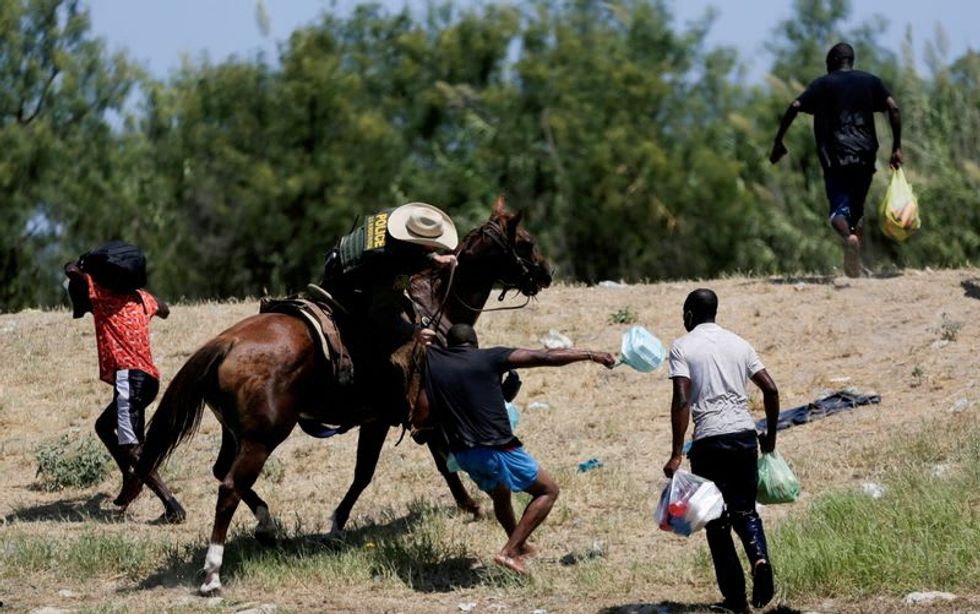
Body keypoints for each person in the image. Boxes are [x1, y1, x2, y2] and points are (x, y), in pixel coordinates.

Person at [421, 323, 616, 575]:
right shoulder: (489, 357)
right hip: (497, 448)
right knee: (548, 491)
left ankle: (520, 544)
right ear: (475, 344)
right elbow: (544, 356)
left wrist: (419, 337)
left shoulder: (433, 361)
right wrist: (590, 354)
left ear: (450, 344)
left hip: (463, 454)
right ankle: (509, 552)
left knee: (501, 494)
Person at [662, 289, 780, 613]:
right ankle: (759, 559)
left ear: (689, 314)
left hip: (709, 442)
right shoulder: (739, 343)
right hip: (744, 437)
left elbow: (682, 400)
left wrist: (676, 453)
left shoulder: (682, 346)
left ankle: (737, 601)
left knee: (716, 522)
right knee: (746, 511)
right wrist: (769, 437)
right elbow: (771, 389)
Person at [64, 256, 185, 523]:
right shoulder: (141, 298)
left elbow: (71, 270)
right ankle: (130, 476)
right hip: (149, 379)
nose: (89, 310)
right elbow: (165, 309)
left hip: (129, 378)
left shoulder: (102, 298)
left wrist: (84, 264)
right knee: (104, 426)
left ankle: (171, 505)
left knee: (130, 446)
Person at [769, 42, 902, 278]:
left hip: (835, 156)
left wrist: (779, 140)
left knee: (838, 209)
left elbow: (795, 105)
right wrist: (897, 147)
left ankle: (849, 239)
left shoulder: (823, 84)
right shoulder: (870, 81)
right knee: (857, 209)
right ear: (851, 61)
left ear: (832, 62)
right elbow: (893, 107)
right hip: (865, 153)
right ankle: (855, 261)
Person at [319, 202, 458, 423]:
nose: (436, 247)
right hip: (348, 282)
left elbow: (407, 249)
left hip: (342, 255)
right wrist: (413, 332)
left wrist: (433, 258)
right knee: (380, 341)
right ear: (417, 241)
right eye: (432, 244)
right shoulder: (393, 265)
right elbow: (383, 312)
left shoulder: (393, 216)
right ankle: (374, 400)